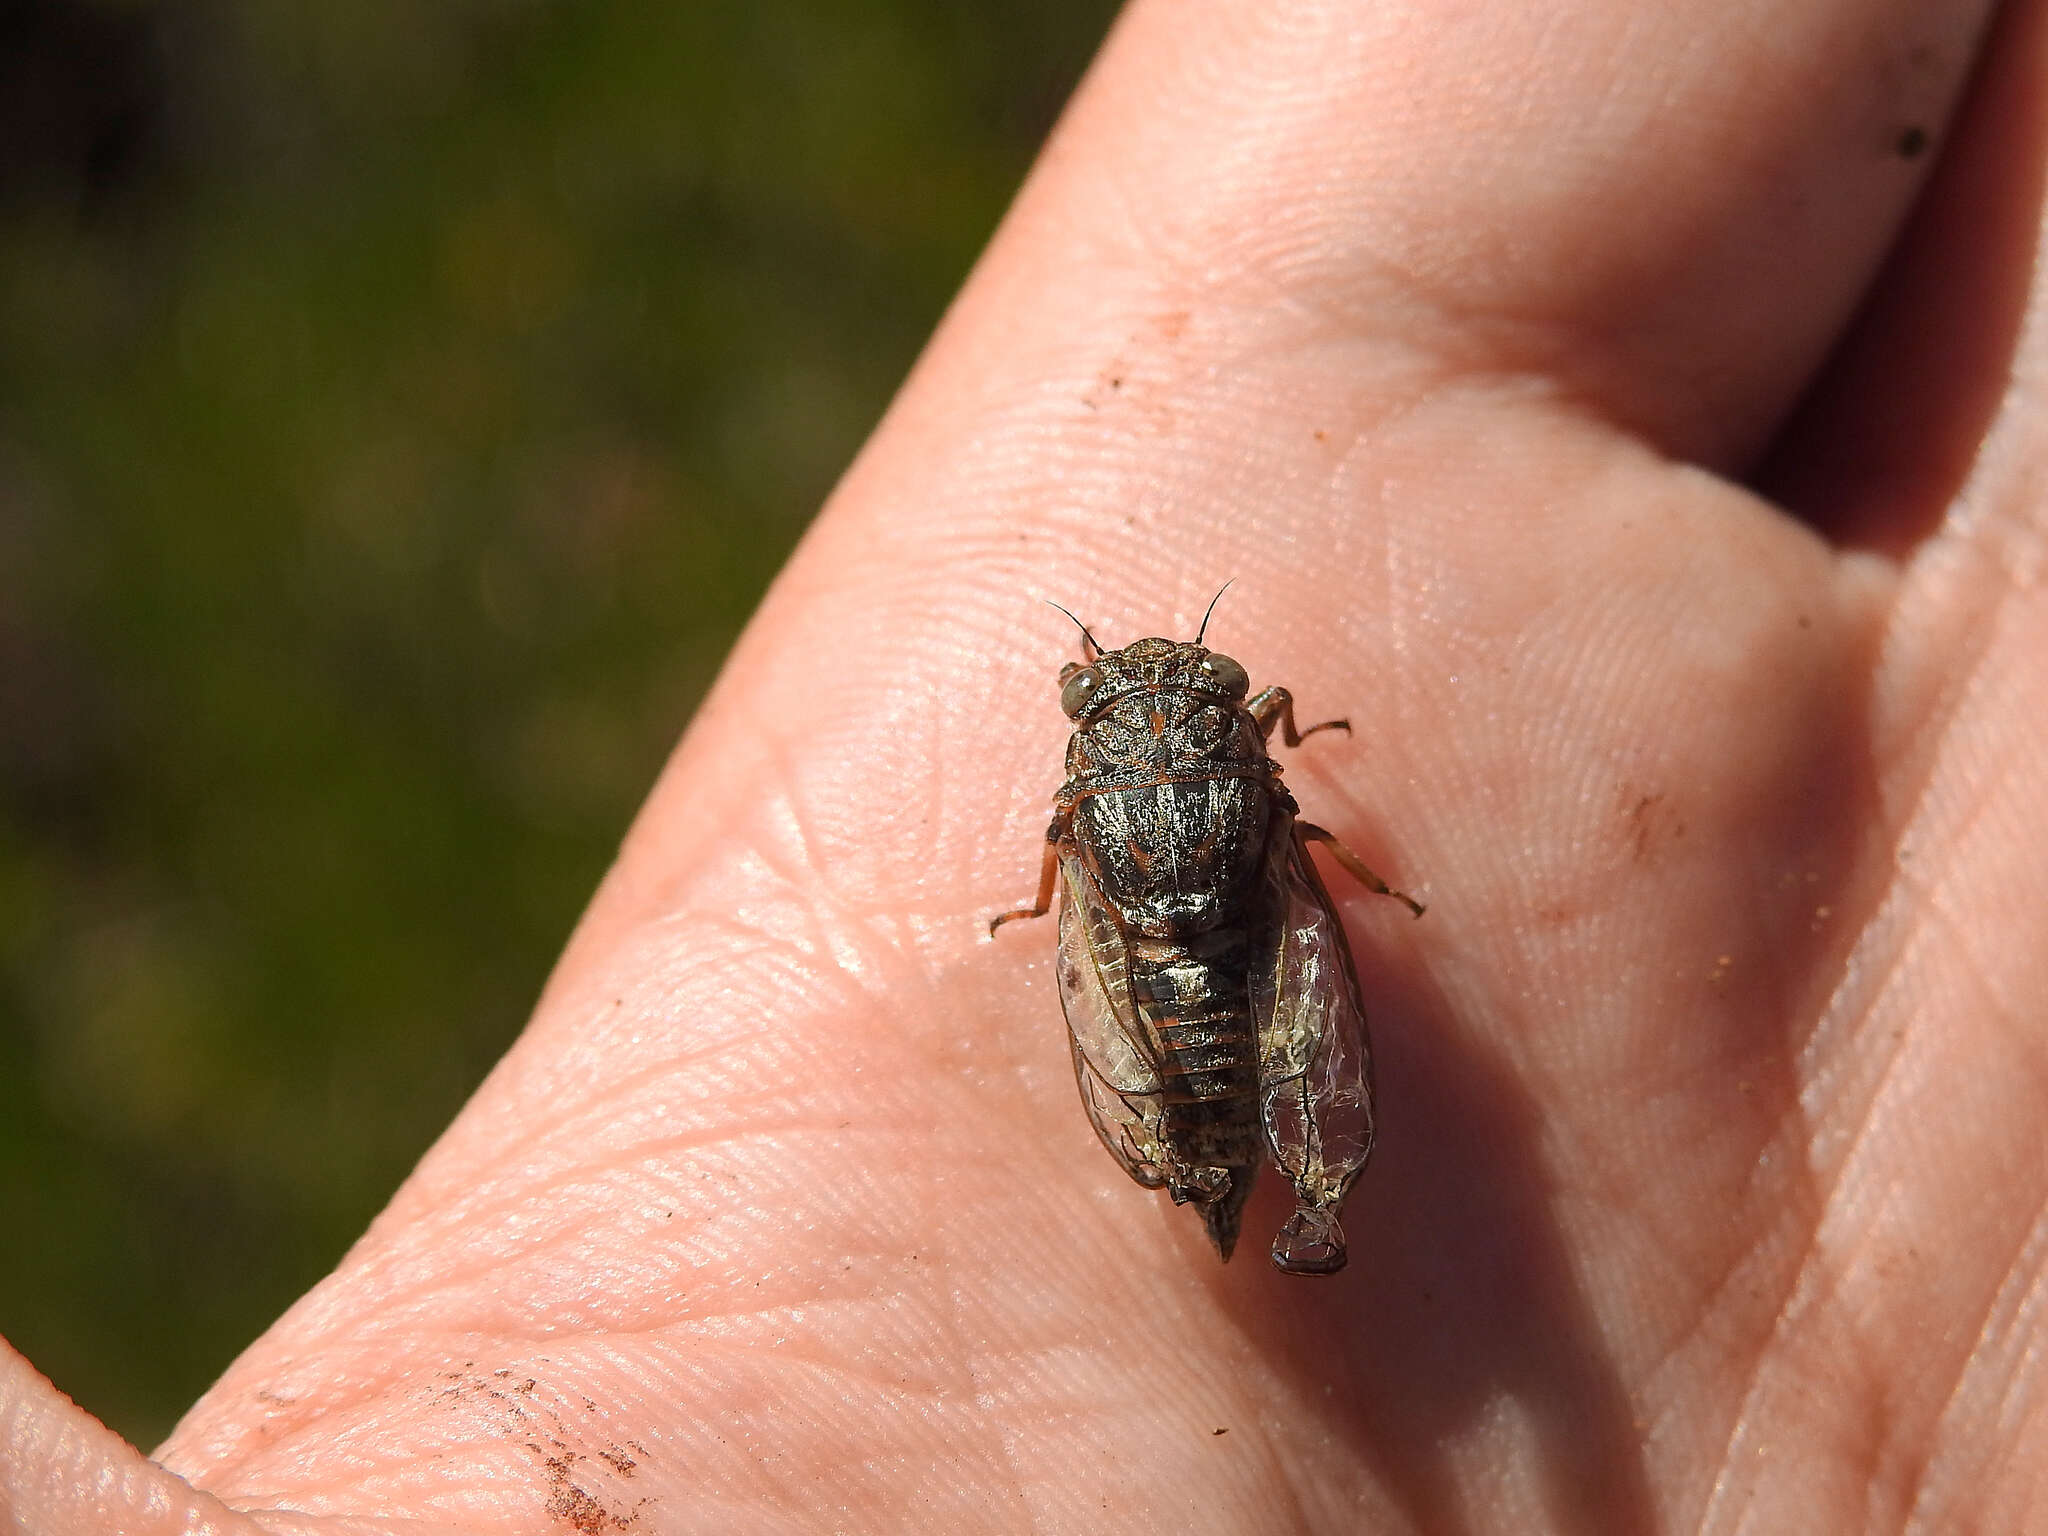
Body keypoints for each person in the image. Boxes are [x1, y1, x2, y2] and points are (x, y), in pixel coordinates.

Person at [4, 0, 2041, 1528]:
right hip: (1241, 915)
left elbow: (1100, 873)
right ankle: (1234, 1161)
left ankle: (1220, 1156)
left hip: (1177, 938)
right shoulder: (1233, 758)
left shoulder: (1105, 785)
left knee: (1207, 1007)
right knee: (1263, 983)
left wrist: (1126, 860)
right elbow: (1279, 837)